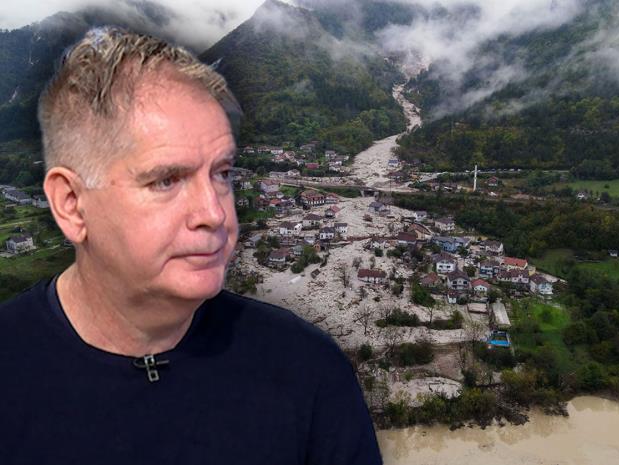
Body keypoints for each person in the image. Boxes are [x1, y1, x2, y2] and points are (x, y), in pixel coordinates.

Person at [0, 27, 382, 464]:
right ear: (71, 204)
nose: (214, 213)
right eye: (166, 180)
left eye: (221, 174)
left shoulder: (308, 369)